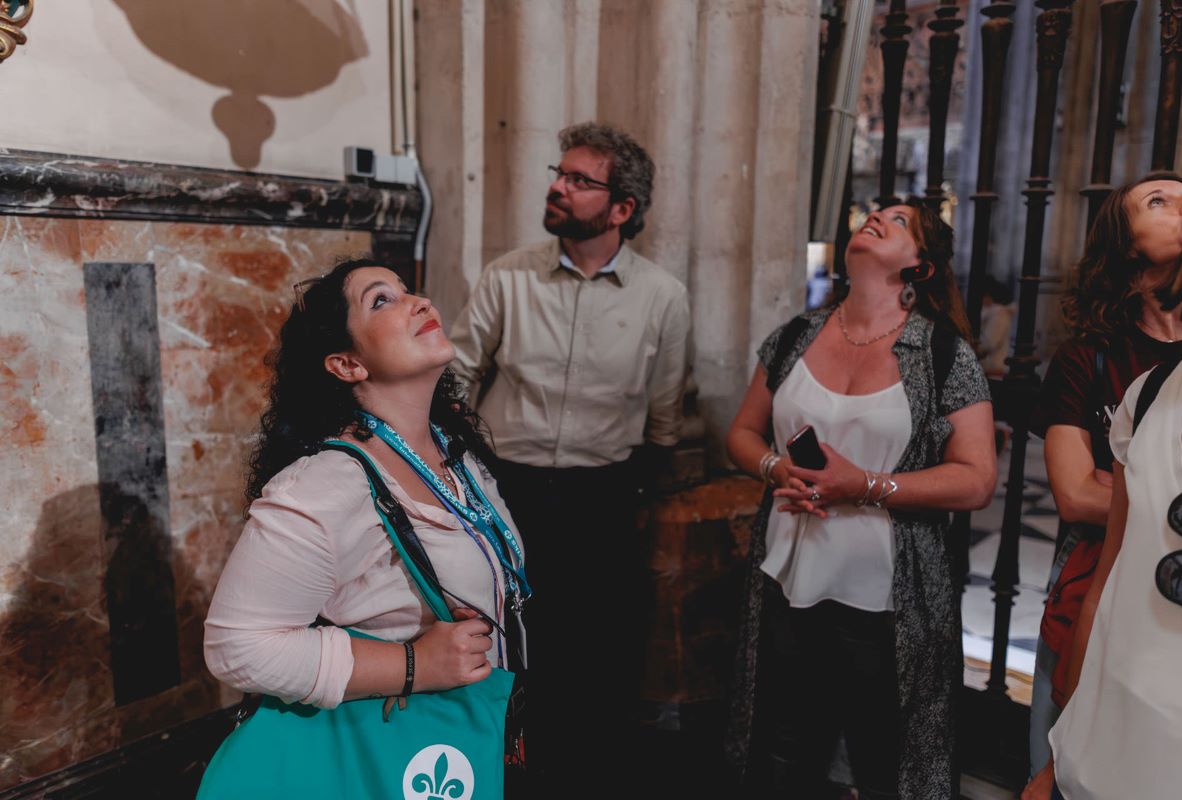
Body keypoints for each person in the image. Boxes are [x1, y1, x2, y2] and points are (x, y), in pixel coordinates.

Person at [203, 258, 527, 794]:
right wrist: (414, 664)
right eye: (382, 300)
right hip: (387, 749)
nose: (419, 302)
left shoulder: (457, 458)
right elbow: (238, 648)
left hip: (468, 726)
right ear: (347, 364)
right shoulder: (329, 485)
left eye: (407, 291)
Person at [724, 201, 996, 799]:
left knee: (886, 758)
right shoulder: (796, 335)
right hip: (787, 579)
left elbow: (976, 479)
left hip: (886, 595)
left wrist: (867, 486)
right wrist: (776, 468)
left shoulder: (944, 355)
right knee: (783, 748)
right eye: (877, 212)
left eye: (899, 222)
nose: (877, 218)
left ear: (920, 267)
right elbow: (742, 434)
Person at [448, 121, 690, 783]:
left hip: (602, 496)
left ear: (621, 209)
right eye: (560, 173)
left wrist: (648, 486)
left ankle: (582, 776)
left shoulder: (663, 297)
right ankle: (503, 769)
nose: (557, 186)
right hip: (505, 489)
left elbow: (665, 412)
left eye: (579, 180)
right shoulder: (508, 278)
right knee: (507, 640)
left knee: (595, 651)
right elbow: (459, 377)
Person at [1022, 170, 1182, 799]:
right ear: (1126, 243)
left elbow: (1120, 493)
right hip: (1093, 579)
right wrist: (1157, 498)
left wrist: (1129, 487)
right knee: (1069, 754)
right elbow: (1073, 496)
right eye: (1160, 200)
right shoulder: (1091, 358)